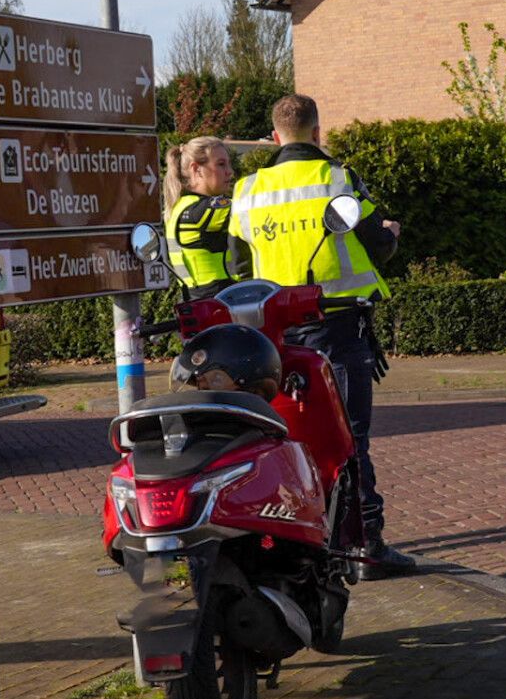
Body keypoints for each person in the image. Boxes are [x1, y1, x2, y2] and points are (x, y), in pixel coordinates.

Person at [229, 94, 417, 580]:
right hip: (338, 328)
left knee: (279, 437)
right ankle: (366, 545)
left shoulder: (248, 188)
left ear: (274, 138)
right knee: (348, 440)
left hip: (273, 338)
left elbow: (235, 264)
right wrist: (392, 233)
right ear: (317, 133)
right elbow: (380, 243)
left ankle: (290, 536)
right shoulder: (338, 179)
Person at [160, 136, 238, 299]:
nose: (230, 171)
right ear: (196, 169)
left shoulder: (182, 206)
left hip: (195, 300)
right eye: (221, 164)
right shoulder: (203, 210)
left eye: (228, 163)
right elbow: (253, 211)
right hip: (219, 301)